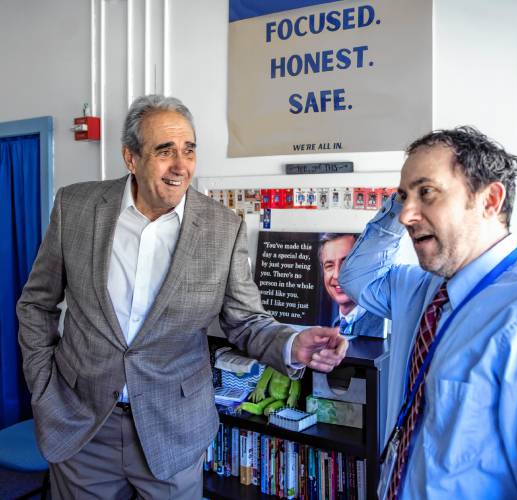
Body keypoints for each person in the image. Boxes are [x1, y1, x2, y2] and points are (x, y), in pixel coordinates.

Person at [17, 95, 348, 499]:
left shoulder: (222, 228)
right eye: (165, 151)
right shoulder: (77, 206)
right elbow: (37, 303)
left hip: (172, 432)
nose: (181, 166)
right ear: (130, 157)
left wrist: (294, 344)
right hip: (82, 426)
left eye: (189, 151)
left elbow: (245, 321)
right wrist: (42, 384)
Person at [339, 126, 517, 499]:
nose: (405, 215)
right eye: (403, 197)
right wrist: (396, 205)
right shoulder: (420, 287)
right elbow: (357, 277)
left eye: (427, 192)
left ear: (489, 201)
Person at [319, 233, 387, 338]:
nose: (337, 275)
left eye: (347, 262)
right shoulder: (336, 324)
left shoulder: (380, 325)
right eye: (329, 266)